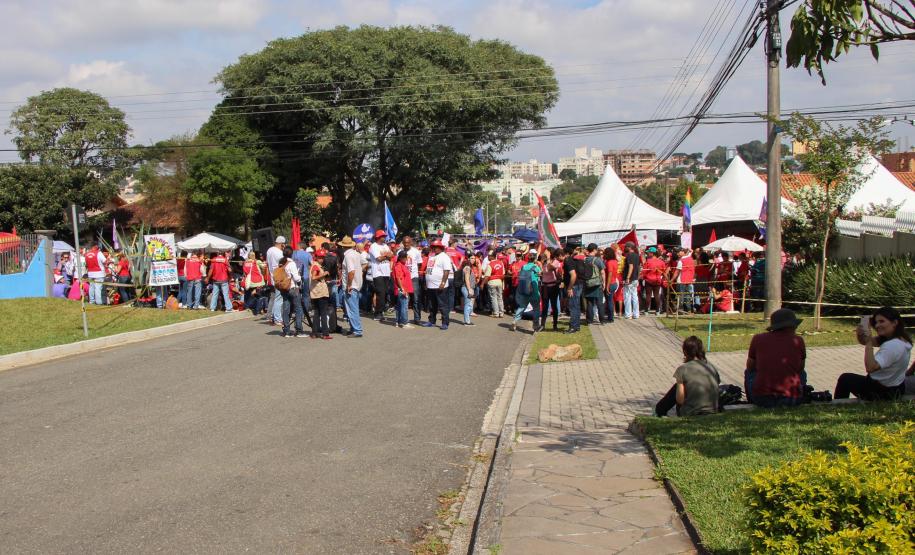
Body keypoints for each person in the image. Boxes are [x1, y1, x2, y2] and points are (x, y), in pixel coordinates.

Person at [835, 306, 912, 401]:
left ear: (895, 323)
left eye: (882, 321)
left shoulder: (893, 345)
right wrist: (860, 334)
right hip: (896, 388)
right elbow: (865, 341)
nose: (877, 326)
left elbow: (871, 368)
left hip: (881, 392)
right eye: (876, 322)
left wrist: (869, 343)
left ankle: (837, 406)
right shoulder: (901, 339)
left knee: (845, 379)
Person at [745, 309, 807, 408]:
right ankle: (799, 391)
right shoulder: (798, 340)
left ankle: (751, 399)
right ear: (791, 326)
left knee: (749, 372)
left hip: (761, 399)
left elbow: (750, 366)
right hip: (791, 399)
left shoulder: (758, 338)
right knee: (802, 373)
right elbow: (800, 367)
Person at [655, 336, 721, 417]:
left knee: (677, 388)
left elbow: (680, 400)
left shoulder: (683, 369)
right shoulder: (712, 368)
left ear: (685, 352)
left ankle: (659, 410)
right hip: (713, 410)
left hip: (691, 413)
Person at [424, 239, 452, 330]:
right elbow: (428, 270)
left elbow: (446, 271)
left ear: (441, 248)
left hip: (440, 285)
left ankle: (445, 323)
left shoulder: (444, 257)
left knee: (443, 305)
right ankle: (431, 321)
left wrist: (443, 282)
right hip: (430, 285)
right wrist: (426, 282)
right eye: (433, 247)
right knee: (432, 305)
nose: (435, 249)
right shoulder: (431, 256)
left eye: (437, 247)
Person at [339, 236, 364, 338]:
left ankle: (357, 330)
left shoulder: (348, 256)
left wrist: (349, 285)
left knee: (352, 309)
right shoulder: (356, 254)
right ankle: (354, 328)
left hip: (351, 286)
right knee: (353, 307)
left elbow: (351, 272)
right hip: (356, 284)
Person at [511, 251, 542, 333]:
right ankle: (535, 325)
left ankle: (515, 321)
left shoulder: (524, 267)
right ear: (535, 259)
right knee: (536, 308)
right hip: (534, 291)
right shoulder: (536, 267)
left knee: (522, 307)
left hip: (524, 290)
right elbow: (539, 276)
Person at [279, 247, 305, 338]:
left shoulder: (281, 262)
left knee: (286, 309)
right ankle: (299, 330)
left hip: (284, 288)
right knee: (298, 309)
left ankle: (286, 331)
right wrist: (300, 278)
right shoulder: (291, 263)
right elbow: (296, 278)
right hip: (293, 288)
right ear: (291, 254)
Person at [369, 230, 393, 322]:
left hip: (386, 272)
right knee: (380, 293)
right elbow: (378, 259)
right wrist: (387, 255)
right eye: (383, 236)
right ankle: (377, 313)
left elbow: (392, 255)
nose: (384, 237)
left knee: (385, 292)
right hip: (378, 273)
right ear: (378, 237)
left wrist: (386, 255)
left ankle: (381, 311)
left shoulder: (385, 245)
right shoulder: (373, 246)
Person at [309, 249, 332, 339]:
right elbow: (314, 277)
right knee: (323, 312)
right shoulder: (316, 266)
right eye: (320, 257)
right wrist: (324, 274)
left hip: (316, 292)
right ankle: (325, 333)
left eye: (322, 257)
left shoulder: (317, 265)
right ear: (316, 257)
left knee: (317, 312)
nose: (321, 259)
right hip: (320, 292)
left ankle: (314, 332)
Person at [563, 245, 584, 333]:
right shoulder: (576, 260)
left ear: (566, 253)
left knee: (573, 307)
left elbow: (573, 275)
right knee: (577, 306)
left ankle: (573, 327)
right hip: (579, 284)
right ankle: (577, 326)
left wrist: (569, 288)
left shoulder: (568, 260)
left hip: (574, 286)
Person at [583, 243, 605, 325]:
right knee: (599, 303)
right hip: (597, 283)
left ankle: (589, 321)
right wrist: (604, 283)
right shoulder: (598, 260)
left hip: (588, 283)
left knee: (589, 303)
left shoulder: (585, 260)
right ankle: (602, 320)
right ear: (595, 250)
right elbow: (602, 272)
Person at [403, 236, 424, 324]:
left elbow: (419, 263)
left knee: (416, 299)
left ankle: (417, 318)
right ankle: (404, 318)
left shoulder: (416, 251)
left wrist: (413, 272)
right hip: (403, 279)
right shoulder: (400, 251)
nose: (406, 244)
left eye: (408, 242)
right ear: (403, 243)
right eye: (405, 243)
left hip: (414, 278)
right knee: (405, 299)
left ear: (411, 242)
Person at [266, 236, 286, 325]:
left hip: (272, 276)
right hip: (279, 277)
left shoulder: (269, 250)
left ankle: (273, 316)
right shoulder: (279, 253)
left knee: (275, 298)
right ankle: (278, 319)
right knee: (279, 298)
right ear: (282, 244)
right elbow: (284, 263)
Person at [541, 249, 563, 330]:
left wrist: (548, 259)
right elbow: (543, 271)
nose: (545, 252)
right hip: (545, 287)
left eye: (546, 251)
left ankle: (555, 325)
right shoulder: (544, 261)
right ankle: (542, 325)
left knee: (554, 306)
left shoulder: (555, 261)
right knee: (545, 306)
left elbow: (551, 268)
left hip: (553, 286)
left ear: (550, 253)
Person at [393, 251, 415, 329]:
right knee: (404, 306)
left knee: (399, 306)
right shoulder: (398, 266)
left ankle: (398, 322)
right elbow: (398, 278)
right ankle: (404, 322)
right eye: (405, 258)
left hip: (403, 288)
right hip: (402, 288)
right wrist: (402, 289)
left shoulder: (402, 265)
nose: (406, 259)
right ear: (402, 258)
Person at [641, 247, 665, 314]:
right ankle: (657, 311)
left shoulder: (648, 261)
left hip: (649, 280)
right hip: (657, 280)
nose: (648, 253)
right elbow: (664, 271)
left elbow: (644, 272)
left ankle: (646, 310)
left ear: (652, 253)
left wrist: (643, 277)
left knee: (648, 295)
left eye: (648, 252)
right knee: (656, 295)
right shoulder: (661, 262)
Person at [621, 242, 641, 319]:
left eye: (626, 246)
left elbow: (631, 266)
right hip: (635, 278)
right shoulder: (637, 255)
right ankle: (636, 314)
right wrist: (637, 277)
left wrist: (627, 277)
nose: (625, 248)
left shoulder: (629, 255)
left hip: (630, 279)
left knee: (627, 296)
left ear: (629, 247)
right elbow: (638, 267)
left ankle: (628, 314)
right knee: (635, 296)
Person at [484, 250, 506, 318]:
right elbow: (503, 274)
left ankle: (496, 313)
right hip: (499, 282)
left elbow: (487, 276)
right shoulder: (501, 263)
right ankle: (501, 313)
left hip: (492, 282)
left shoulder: (490, 264)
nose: (488, 257)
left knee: (493, 298)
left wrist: (482, 284)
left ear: (492, 256)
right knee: (500, 297)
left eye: (489, 256)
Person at [460, 253, 478, 326]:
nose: (473, 260)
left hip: (468, 288)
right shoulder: (467, 267)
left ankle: (467, 321)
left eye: (474, 258)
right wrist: (469, 289)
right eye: (472, 258)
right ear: (468, 259)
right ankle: (467, 322)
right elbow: (467, 279)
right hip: (466, 288)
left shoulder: (468, 267)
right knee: (468, 305)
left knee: (469, 305)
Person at [602, 247, 618, 323]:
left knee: (609, 301)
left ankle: (610, 318)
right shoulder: (615, 261)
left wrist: (607, 286)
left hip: (610, 283)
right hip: (614, 282)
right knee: (610, 301)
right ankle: (610, 317)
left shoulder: (609, 262)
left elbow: (610, 274)